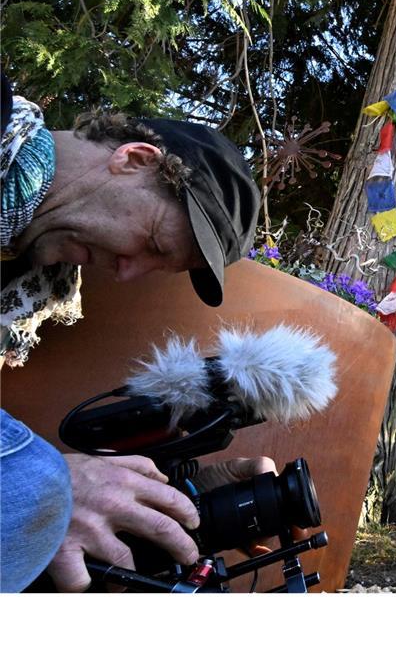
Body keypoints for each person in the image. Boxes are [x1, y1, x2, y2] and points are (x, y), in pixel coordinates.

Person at [1, 73, 268, 592]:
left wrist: (180, 495)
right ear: (136, 159)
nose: (124, 273)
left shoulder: (29, 283)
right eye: (151, 242)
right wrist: (45, 488)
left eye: (154, 266)